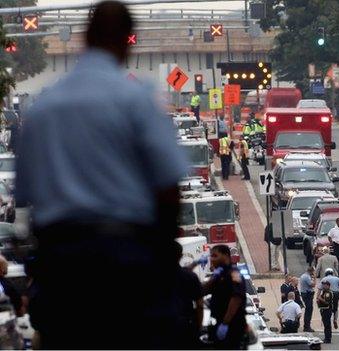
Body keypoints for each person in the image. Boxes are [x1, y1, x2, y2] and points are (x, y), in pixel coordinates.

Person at [15, 2, 188, 348]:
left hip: (63, 270)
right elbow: (168, 190)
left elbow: (25, 198)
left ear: (85, 38)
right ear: (128, 42)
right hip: (128, 265)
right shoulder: (138, 100)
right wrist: (163, 255)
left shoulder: (43, 109)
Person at [202, 245, 248, 349]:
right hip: (219, 321)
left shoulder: (233, 273)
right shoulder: (219, 274)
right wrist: (213, 278)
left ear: (226, 256)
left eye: (215, 256)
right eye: (211, 256)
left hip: (232, 325)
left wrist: (225, 323)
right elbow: (202, 291)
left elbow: (236, 299)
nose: (211, 259)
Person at [173, 243, 204, 349]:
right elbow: (200, 305)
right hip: (185, 326)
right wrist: (199, 328)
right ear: (181, 256)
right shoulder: (190, 277)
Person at [299, 267, 316, 332]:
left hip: (305, 294)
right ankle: (307, 326)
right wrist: (314, 278)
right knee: (309, 311)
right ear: (311, 271)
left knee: (308, 310)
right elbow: (313, 285)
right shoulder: (307, 277)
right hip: (308, 295)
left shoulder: (304, 276)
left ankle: (307, 326)